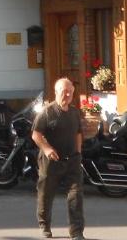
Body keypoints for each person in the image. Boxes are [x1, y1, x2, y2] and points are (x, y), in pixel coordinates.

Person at [32, 77, 85, 240]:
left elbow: (78, 134)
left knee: (76, 196)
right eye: (64, 91)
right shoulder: (46, 112)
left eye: (70, 91)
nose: (67, 94)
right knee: (46, 195)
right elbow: (36, 134)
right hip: (51, 163)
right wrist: (47, 149)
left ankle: (76, 232)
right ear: (56, 92)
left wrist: (78, 153)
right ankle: (44, 226)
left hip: (72, 161)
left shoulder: (75, 113)